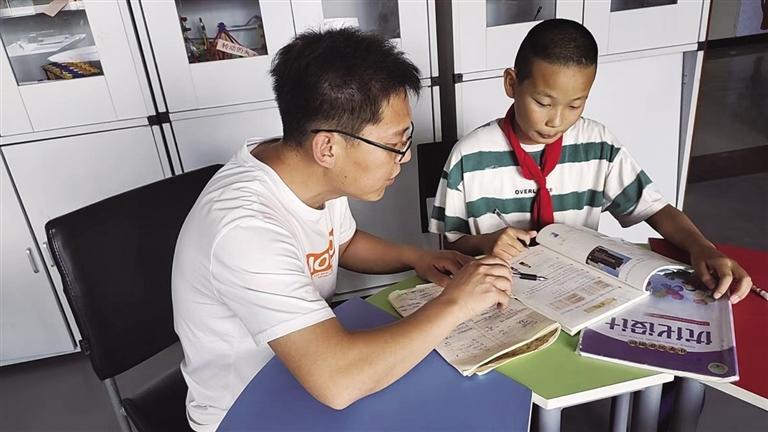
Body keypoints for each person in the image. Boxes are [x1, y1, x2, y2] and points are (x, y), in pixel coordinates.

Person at [172, 28, 514, 432]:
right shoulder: (244, 229)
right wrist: (456, 303)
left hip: (304, 370)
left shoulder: (305, 169)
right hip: (247, 410)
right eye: (395, 144)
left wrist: (417, 258)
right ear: (328, 147)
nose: (404, 158)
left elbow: (343, 242)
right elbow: (339, 381)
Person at [429, 18, 752, 302]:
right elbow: (451, 247)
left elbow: (655, 209)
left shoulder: (597, 144)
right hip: (500, 293)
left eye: (575, 105)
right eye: (543, 102)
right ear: (512, 84)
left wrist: (702, 247)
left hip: (577, 290)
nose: (556, 121)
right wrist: (488, 241)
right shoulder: (469, 156)